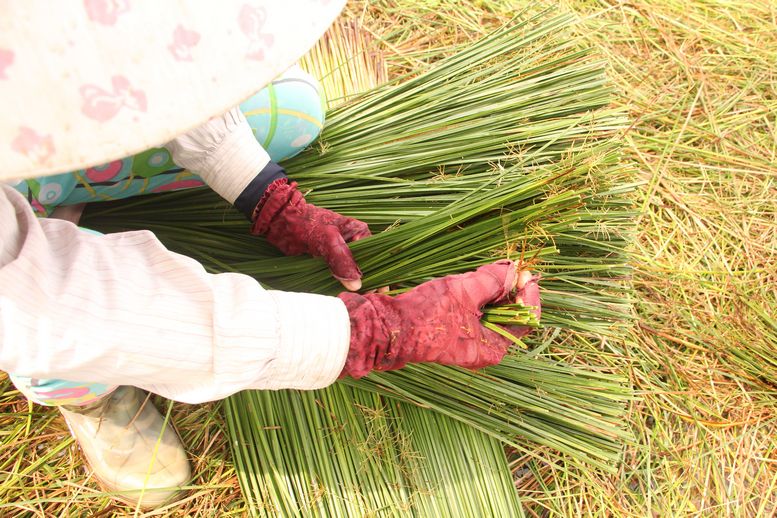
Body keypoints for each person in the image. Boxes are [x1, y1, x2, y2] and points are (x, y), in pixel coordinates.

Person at [0, 1, 540, 510]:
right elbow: (45, 309)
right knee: (59, 343)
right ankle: (87, 394)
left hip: (27, 116)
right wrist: (370, 335)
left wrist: (265, 195)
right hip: (20, 291)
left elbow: (143, 56)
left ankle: (54, 191)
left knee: (295, 107)